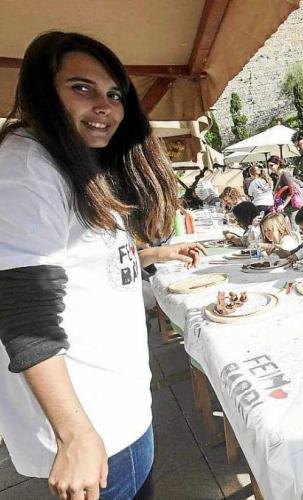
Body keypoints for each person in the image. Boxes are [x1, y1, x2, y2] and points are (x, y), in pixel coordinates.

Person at [0, 32, 206, 500]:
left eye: (114, 94)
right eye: (82, 87)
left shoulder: (70, 163)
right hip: (96, 425)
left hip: (120, 409)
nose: (105, 107)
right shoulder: (26, 168)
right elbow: (24, 314)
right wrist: (75, 435)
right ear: (42, 92)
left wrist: (153, 255)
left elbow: (85, 266)